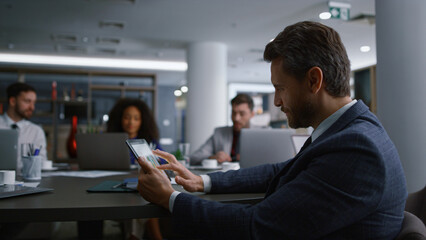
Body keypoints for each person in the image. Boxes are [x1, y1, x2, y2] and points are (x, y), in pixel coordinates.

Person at [135, 21, 407, 239]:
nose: (276, 101)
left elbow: (256, 227)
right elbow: (282, 171)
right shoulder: (347, 130)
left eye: (280, 88)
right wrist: (203, 181)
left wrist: (170, 197)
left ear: (314, 80)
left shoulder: (357, 148)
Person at [107, 98, 163, 240]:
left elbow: (162, 160)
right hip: (115, 183)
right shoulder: (111, 141)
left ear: (142, 121)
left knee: (139, 200)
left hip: (139, 183)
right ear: (120, 119)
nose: (131, 122)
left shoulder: (149, 141)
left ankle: (134, 236)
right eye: (127, 117)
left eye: (136, 118)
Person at [190, 93, 254, 165]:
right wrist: (213, 157)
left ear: (252, 114)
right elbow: (194, 158)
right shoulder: (219, 133)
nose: (236, 118)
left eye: (242, 114)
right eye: (234, 113)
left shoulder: (261, 135)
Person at [0, 82, 47, 173]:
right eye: (27, 101)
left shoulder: (36, 131)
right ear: (13, 101)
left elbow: (41, 164)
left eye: (34, 102)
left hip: (26, 183)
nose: (32, 107)